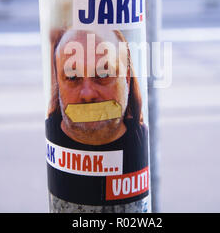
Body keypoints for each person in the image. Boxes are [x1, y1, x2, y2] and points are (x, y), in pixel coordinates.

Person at [46, 29, 148, 174]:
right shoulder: (52, 136)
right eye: (73, 77)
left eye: (103, 74)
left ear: (126, 78)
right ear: (58, 83)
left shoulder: (141, 138)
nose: (87, 94)